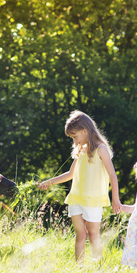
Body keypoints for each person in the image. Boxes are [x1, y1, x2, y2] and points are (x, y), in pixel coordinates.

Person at [38, 110, 121, 261]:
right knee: (80, 234)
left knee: (93, 233)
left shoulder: (101, 150)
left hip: (93, 199)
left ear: (84, 131)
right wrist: (48, 182)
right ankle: (79, 267)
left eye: (75, 137)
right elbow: (70, 174)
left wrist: (115, 199)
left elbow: (113, 176)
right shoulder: (81, 150)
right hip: (76, 198)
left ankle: (98, 267)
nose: (75, 142)